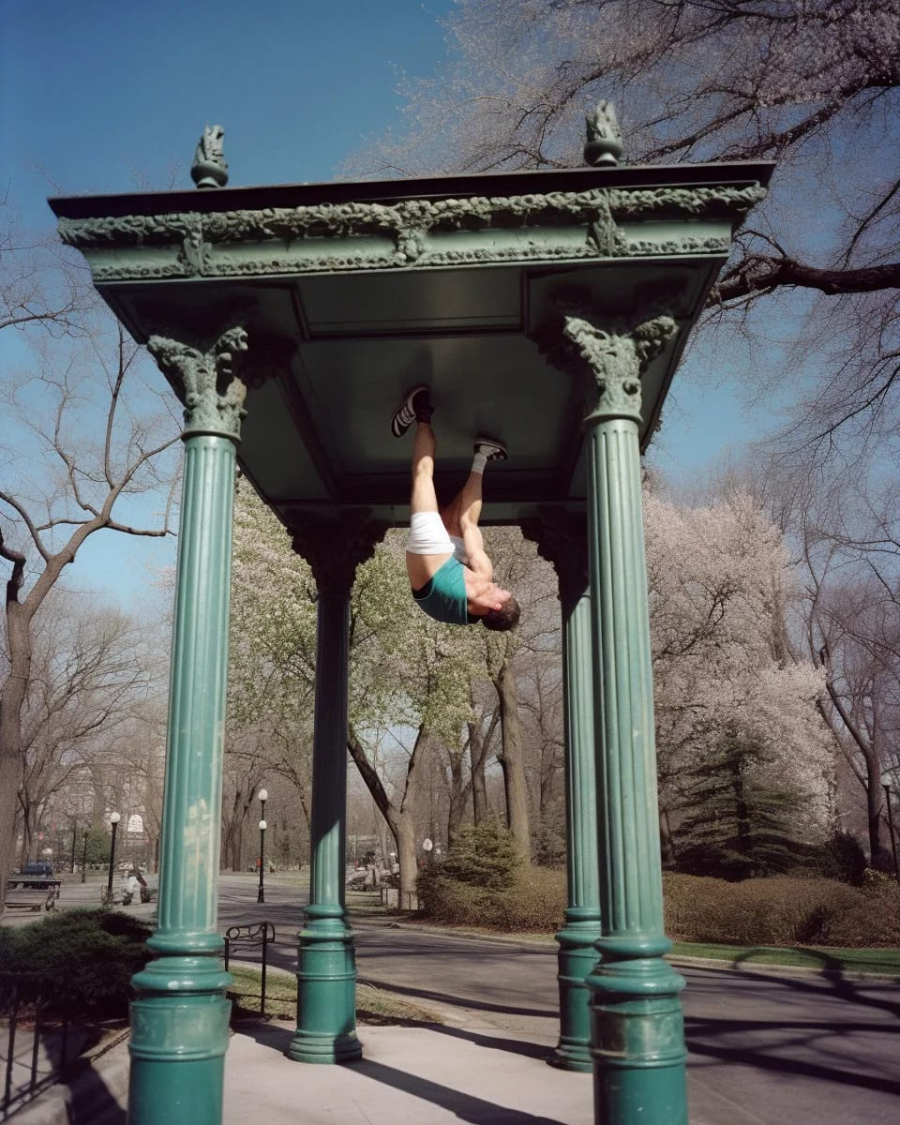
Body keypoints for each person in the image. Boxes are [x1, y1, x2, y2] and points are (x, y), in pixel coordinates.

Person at [391, 386, 520, 630]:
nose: (502, 589)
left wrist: (455, 523)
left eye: (504, 594)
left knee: (424, 476)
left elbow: (468, 526)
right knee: (438, 496)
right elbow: (466, 525)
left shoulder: (483, 579)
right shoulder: (471, 607)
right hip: (440, 563)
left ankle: (421, 410)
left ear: (496, 606)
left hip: (431, 555)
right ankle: (479, 454)